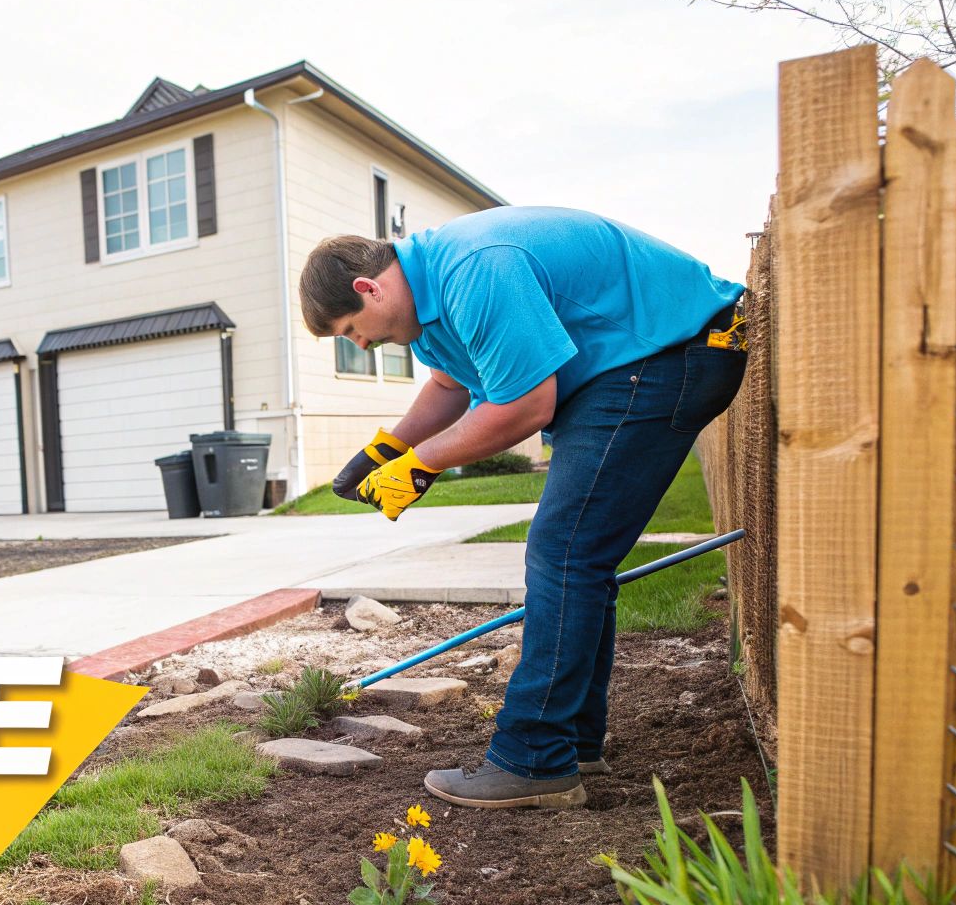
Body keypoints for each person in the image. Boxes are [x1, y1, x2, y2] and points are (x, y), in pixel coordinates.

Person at [299, 206, 747, 809]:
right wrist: (386, 450)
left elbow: (526, 407)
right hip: (632, 367)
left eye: (352, 329)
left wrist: (421, 465)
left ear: (368, 288)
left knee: (564, 553)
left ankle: (535, 758)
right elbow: (450, 385)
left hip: (675, 349)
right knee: (577, 557)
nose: (360, 344)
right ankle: (572, 744)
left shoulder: (477, 270)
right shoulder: (425, 306)